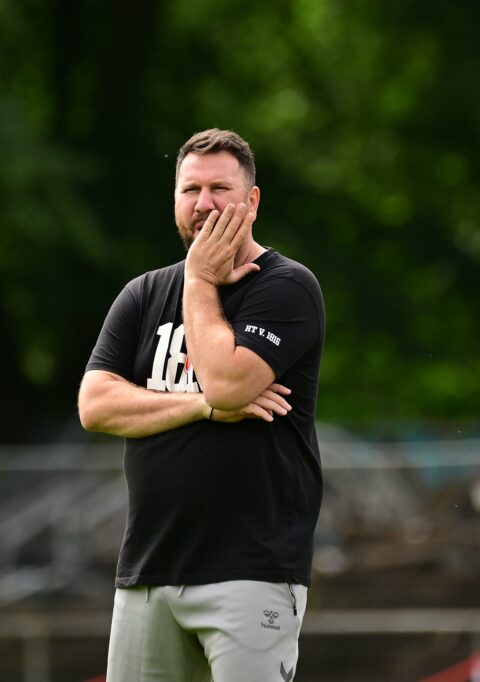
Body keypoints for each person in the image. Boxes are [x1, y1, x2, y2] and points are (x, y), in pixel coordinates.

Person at [78, 128, 325, 682]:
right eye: (191, 190)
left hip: (251, 571)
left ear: (253, 201)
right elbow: (95, 405)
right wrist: (200, 408)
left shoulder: (286, 288)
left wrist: (199, 280)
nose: (205, 203)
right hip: (147, 572)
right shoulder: (141, 295)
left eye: (220, 188)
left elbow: (230, 383)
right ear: (175, 201)